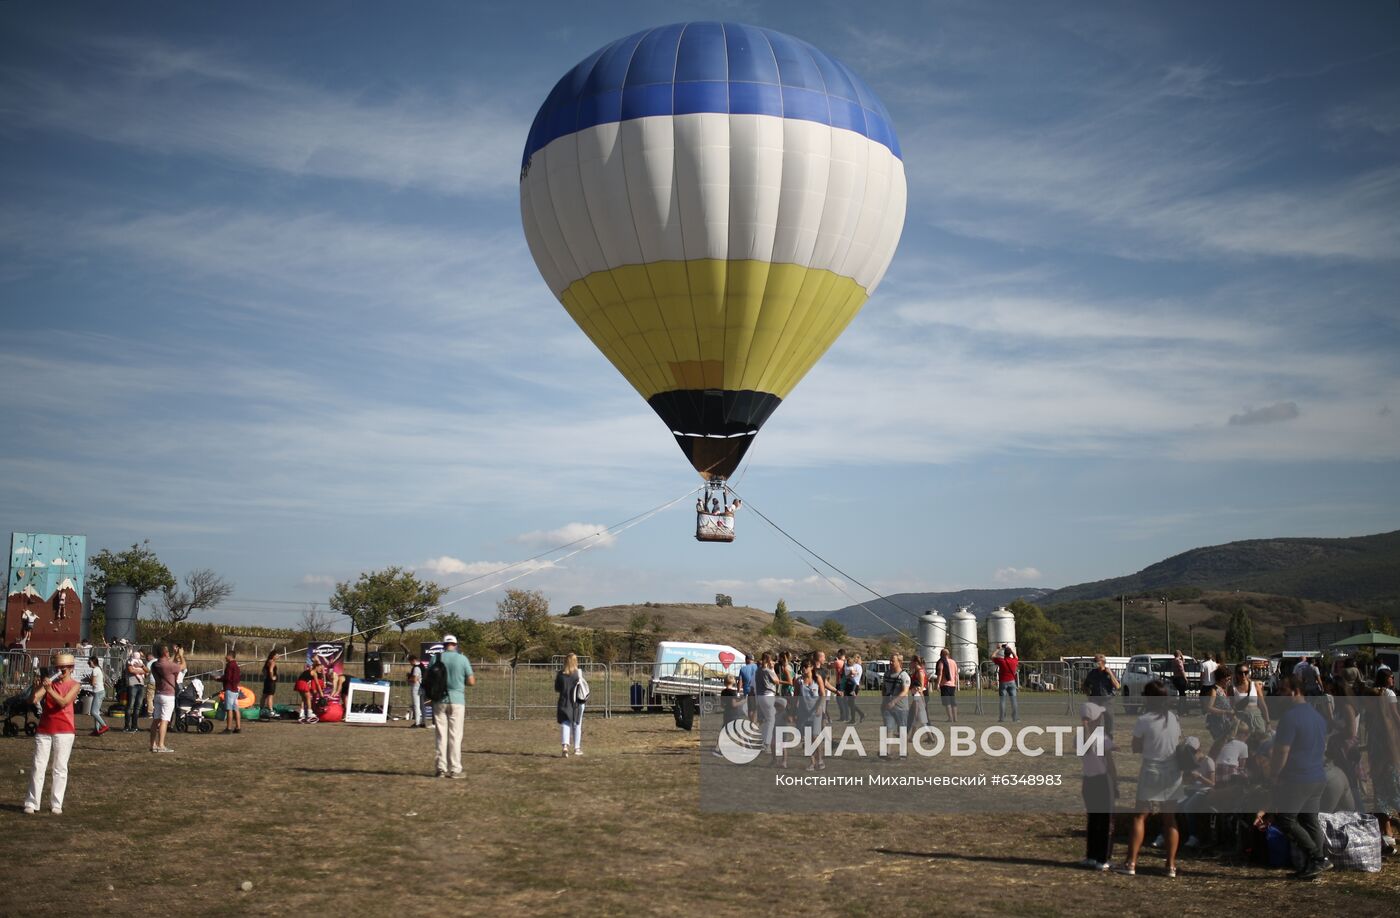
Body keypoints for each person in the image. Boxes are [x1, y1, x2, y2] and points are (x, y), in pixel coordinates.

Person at [1116, 681, 1181, 878]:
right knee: (1170, 819)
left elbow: (1136, 747)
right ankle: (1170, 865)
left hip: (1152, 769)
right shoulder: (1173, 718)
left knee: (1140, 816)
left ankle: (1131, 862)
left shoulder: (1144, 719)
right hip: (1173, 772)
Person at [1269, 674, 1329, 880]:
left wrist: (1274, 775)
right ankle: (1313, 867)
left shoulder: (1289, 717)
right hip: (1317, 776)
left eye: (1282, 691)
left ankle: (1318, 858)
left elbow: (1282, 752)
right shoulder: (1317, 716)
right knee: (1310, 820)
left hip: (1298, 778)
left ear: (1294, 692)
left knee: (1285, 820)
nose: (1278, 695)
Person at [23, 653, 80, 815]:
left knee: (60, 768)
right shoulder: (51, 683)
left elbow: (63, 702)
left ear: (71, 669)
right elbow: (33, 700)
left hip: (65, 730)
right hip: (45, 729)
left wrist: (49, 689)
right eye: (58, 667)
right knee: (38, 766)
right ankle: (32, 802)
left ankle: (56, 803)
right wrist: (37, 688)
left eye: (64, 668)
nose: (60, 670)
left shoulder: (75, 685)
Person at [430, 634, 476, 779]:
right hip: (457, 700)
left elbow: (428, 678)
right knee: (455, 736)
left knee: (440, 735)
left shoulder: (435, 658)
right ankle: (455, 769)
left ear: (443, 645)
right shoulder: (462, 659)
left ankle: (441, 768)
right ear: (456, 644)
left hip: (439, 700)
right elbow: (471, 681)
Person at [1078, 701, 1116, 870]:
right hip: (1102, 781)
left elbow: (1085, 749)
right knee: (1105, 821)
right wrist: (1115, 783)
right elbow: (1110, 764)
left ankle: (1091, 856)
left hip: (1088, 782)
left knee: (1093, 820)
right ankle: (1103, 859)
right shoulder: (1103, 737)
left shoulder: (1080, 737)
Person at [148, 645, 182, 754]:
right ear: (166, 653)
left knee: (156, 720)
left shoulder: (155, 664)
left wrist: (175, 654)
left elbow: (167, 663)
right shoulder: (169, 666)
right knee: (165, 720)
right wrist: (180, 655)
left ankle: (153, 745)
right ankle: (161, 745)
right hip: (168, 695)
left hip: (158, 694)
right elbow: (182, 666)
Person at [878, 653, 910, 760]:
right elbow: (884, 688)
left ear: (899, 662)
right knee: (888, 728)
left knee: (902, 730)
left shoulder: (904, 676)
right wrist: (884, 701)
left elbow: (905, 691)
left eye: (893, 661)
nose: (891, 663)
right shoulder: (887, 674)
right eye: (890, 660)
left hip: (901, 708)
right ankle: (887, 752)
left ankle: (903, 752)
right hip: (888, 707)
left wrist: (894, 702)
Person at [554, 653, 586, 757]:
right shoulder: (577, 674)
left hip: (564, 702)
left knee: (565, 723)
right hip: (576, 702)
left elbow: (557, 688)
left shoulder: (560, 674)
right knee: (577, 724)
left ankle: (565, 747)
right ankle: (577, 748)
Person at [1229, 661, 1270, 739]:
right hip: (1242, 720)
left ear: (1249, 672)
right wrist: (1235, 720)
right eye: (1240, 673)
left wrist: (1268, 722)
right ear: (1236, 674)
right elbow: (1231, 707)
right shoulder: (1232, 688)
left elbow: (1262, 704)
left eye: (1246, 672)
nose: (1243, 675)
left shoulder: (1255, 685)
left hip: (1256, 718)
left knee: (1260, 743)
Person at [755, 651, 783, 767]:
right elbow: (776, 681)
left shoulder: (758, 670)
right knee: (771, 720)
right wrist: (772, 669)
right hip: (768, 695)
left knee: (768, 719)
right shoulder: (768, 671)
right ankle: (766, 744)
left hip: (761, 696)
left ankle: (764, 740)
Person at [1083, 655, 1120, 734]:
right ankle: (1095, 741)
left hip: (1108, 700)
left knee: (1109, 721)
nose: (1095, 663)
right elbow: (1085, 685)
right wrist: (1088, 695)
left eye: (1097, 661)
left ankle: (1109, 740)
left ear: (1102, 662)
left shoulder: (1110, 672)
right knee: (1095, 721)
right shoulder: (1092, 673)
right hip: (1095, 700)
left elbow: (1117, 686)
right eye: (1094, 661)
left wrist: (1110, 673)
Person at [1202, 667, 1235, 741]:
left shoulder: (1226, 689)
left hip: (1226, 721)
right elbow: (1209, 707)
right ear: (1221, 678)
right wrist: (1226, 712)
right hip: (1217, 722)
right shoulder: (1214, 690)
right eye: (1227, 679)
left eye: (1230, 679)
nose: (1229, 681)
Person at [992, 643, 1019, 723]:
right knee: (1013, 700)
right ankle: (1015, 718)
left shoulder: (1002, 661)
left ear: (1004, 654)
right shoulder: (1014, 661)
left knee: (1002, 700)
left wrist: (998, 649)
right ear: (1010, 653)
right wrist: (1010, 649)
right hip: (1012, 681)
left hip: (1003, 682)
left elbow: (992, 656)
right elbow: (1016, 657)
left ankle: (1002, 718)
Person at [217, 650, 243, 734]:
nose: (225, 657)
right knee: (236, 709)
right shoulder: (236, 666)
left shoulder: (229, 665)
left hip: (229, 689)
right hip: (235, 689)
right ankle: (238, 727)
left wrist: (218, 679)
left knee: (229, 709)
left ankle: (228, 728)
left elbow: (227, 678)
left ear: (230, 656)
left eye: (226, 655)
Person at [123, 651, 147, 733]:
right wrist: (141, 670)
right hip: (132, 685)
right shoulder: (129, 661)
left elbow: (147, 671)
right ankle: (127, 726)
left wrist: (141, 667)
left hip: (141, 685)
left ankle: (134, 726)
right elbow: (131, 670)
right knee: (130, 705)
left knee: (138, 707)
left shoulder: (141, 662)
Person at [84, 654, 109, 736]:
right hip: (100, 692)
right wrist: (89, 679)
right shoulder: (98, 669)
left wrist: (88, 680)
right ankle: (97, 730)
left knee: (93, 712)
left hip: (98, 692)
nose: (88, 663)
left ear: (92, 662)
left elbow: (93, 683)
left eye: (89, 662)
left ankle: (104, 726)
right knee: (96, 712)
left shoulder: (95, 670)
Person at [935, 648, 958, 723]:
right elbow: (956, 674)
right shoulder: (953, 662)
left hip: (945, 684)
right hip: (952, 684)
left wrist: (937, 684)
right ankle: (955, 718)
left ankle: (950, 718)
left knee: (947, 702)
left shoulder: (942, 662)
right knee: (953, 702)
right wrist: (956, 683)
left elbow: (940, 674)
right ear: (948, 654)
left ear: (942, 654)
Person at [907, 655, 929, 731]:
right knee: (918, 717)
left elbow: (921, 687)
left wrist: (920, 699)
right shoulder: (916, 671)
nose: (910, 663)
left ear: (915, 663)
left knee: (917, 717)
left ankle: (930, 737)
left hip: (919, 696)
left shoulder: (920, 672)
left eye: (911, 662)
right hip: (917, 696)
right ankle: (930, 737)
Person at [845, 654, 865, 724]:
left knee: (851, 703)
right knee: (850, 703)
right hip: (851, 685)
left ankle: (854, 719)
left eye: (855, 658)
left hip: (854, 686)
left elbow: (854, 675)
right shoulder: (855, 666)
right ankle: (861, 714)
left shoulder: (857, 666)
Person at [830, 650, 849, 724]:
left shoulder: (838, 662)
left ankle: (843, 716)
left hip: (840, 682)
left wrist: (833, 662)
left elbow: (829, 666)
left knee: (840, 700)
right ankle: (846, 716)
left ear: (840, 654)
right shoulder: (847, 662)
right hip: (846, 682)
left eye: (838, 654)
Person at [738, 654, 758, 723]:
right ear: (752, 660)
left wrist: (738, 691)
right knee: (755, 708)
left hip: (748, 691)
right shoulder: (757, 667)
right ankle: (754, 722)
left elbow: (740, 681)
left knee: (750, 709)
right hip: (757, 690)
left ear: (746, 660)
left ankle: (751, 722)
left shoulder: (743, 669)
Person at [405, 653, 424, 727]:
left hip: (416, 687)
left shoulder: (416, 668)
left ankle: (417, 722)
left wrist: (408, 680)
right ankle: (421, 721)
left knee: (416, 705)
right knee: (420, 705)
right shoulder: (421, 666)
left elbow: (415, 679)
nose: (410, 663)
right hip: (420, 687)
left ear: (413, 660)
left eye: (410, 662)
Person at [260, 651, 279, 717]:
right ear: (273, 656)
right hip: (270, 682)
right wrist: (272, 677)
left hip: (267, 681)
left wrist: (266, 676)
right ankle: (271, 711)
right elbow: (271, 670)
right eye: (276, 655)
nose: (278, 657)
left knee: (264, 695)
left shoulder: (268, 661)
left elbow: (263, 670)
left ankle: (261, 710)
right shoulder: (272, 662)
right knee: (270, 696)